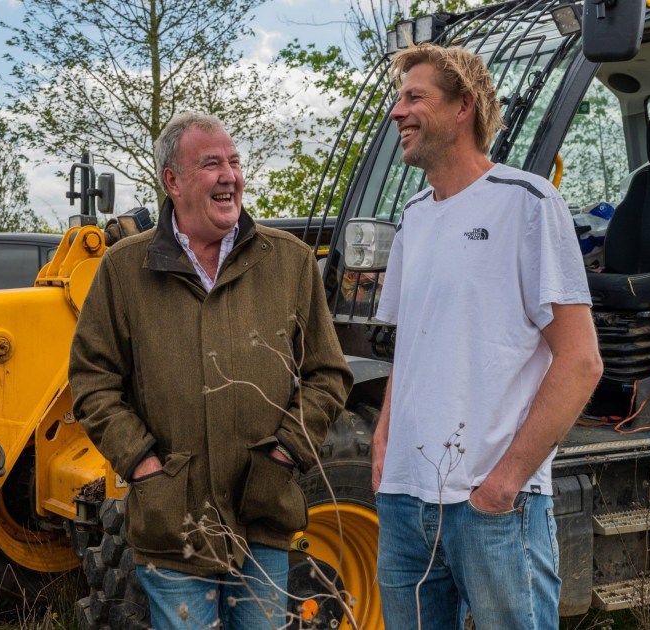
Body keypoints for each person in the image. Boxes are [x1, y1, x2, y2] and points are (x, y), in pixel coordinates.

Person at [69, 112, 352, 629]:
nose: (230, 176)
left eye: (235, 163)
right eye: (211, 164)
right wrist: (143, 465)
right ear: (172, 181)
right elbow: (92, 381)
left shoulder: (288, 262)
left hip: (262, 512)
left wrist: (285, 452)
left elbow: (327, 375)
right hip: (172, 519)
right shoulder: (125, 269)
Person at [372, 44, 603, 629]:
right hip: (404, 501)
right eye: (398, 98)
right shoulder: (414, 217)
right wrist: (383, 444)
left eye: (414, 96)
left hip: (493, 505)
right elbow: (413, 348)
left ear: (463, 108)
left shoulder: (527, 203)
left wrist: (503, 485)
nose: (398, 111)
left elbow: (579, 361)